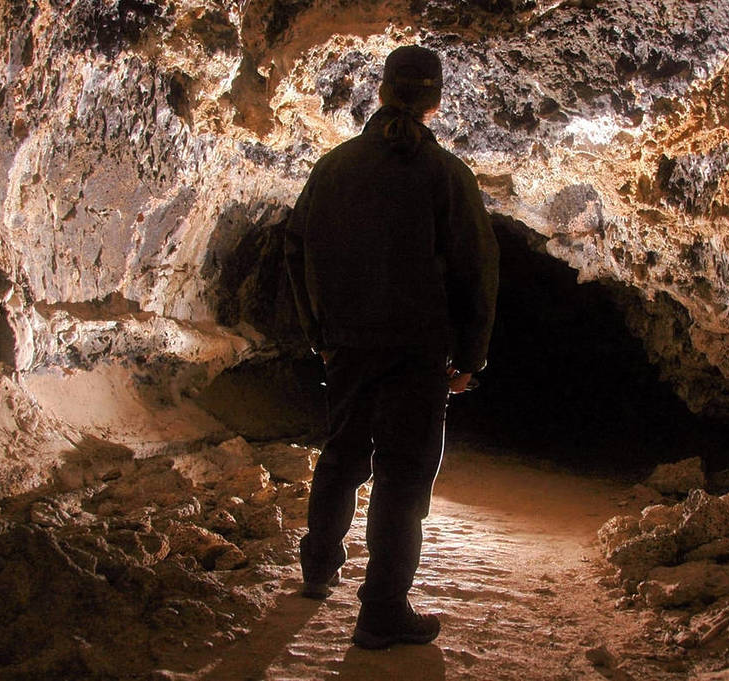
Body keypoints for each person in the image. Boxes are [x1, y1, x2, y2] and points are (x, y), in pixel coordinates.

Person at [283, 45, 499, 649]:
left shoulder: (333, 167)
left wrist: (319, 333)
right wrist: (470, 356)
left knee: (342, 453)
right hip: (416, 348)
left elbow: (296, 247)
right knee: (403, 476)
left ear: (381, 92)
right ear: (436, 102)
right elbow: (476, 268)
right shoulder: (446, 174)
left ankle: (318, 567)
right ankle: (381, 610)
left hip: (348, 343)